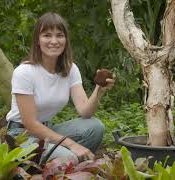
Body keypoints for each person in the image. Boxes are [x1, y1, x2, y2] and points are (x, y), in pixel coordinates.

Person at [6, 12, 115, 162]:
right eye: (47, 35)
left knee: (95, 127)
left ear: (66, 40)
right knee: (68, 156)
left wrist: (99, 90)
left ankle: (71, 166)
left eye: (59, 35)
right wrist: (71, 144)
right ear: (37, 40)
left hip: (47, 130)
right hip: (21, 135)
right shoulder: (24, 72)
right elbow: (30, 125)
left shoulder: (70, 69)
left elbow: (85, 112)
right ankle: (47, 167)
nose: (54, 41)